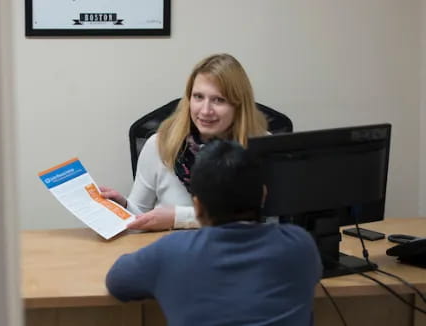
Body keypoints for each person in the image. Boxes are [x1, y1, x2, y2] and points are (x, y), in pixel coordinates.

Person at [105, 139, 323, 326]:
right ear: (264, 195)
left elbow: (117, 281)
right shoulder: (300, 244)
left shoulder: (171, 252)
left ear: (197, 207)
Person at [101, 53, 268, 231]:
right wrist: (123, 207)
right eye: (198, 97)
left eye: (218, 100)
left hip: (234, 254)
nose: (205, 110)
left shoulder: (263, 146)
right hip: (173, 252)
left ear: (239, 105)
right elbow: (139, 219)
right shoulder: (160, 144)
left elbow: (266, 221)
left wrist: (178, 218)